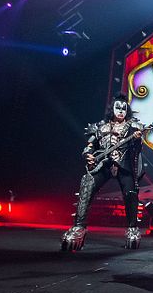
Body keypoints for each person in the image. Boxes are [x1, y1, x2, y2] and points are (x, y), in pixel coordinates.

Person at [62, 94, 145, 251]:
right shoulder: (100, 127)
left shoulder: (134, 127)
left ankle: (132, 229)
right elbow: (89, 146)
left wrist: (137, 140)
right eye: (118, 108)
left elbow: (137, 149)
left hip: (124, 165)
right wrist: (88, 155)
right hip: (103, 164)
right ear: (112, 109)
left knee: (131, 193)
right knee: (87, 183)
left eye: (123, 108)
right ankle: (79, 227)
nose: (120, 111)